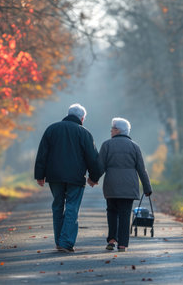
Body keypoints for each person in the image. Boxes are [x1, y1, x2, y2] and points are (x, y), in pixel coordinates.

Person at [34, 103, 101, 253]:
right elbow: (93, 158)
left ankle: (59, 241)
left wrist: (40, 175)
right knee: (72, 207)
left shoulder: (52, 129)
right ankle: (65, 242)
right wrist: (94, 177)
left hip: (54, 176)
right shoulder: (84, 133)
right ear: (82, 118)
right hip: (76, 177)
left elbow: (42, 153)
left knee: (57, 205)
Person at [98, 117, 152, 252]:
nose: (111, 131)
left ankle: (111, 240)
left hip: (111, 185)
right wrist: (147, 187)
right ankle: (122, 245)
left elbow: (100, 166)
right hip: (129, 187)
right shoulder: (135, 146)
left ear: (117, 130)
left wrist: (93, 179)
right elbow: (141, 169)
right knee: (125, 214)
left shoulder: (107, 145)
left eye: (112, 128)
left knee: (111, 212)